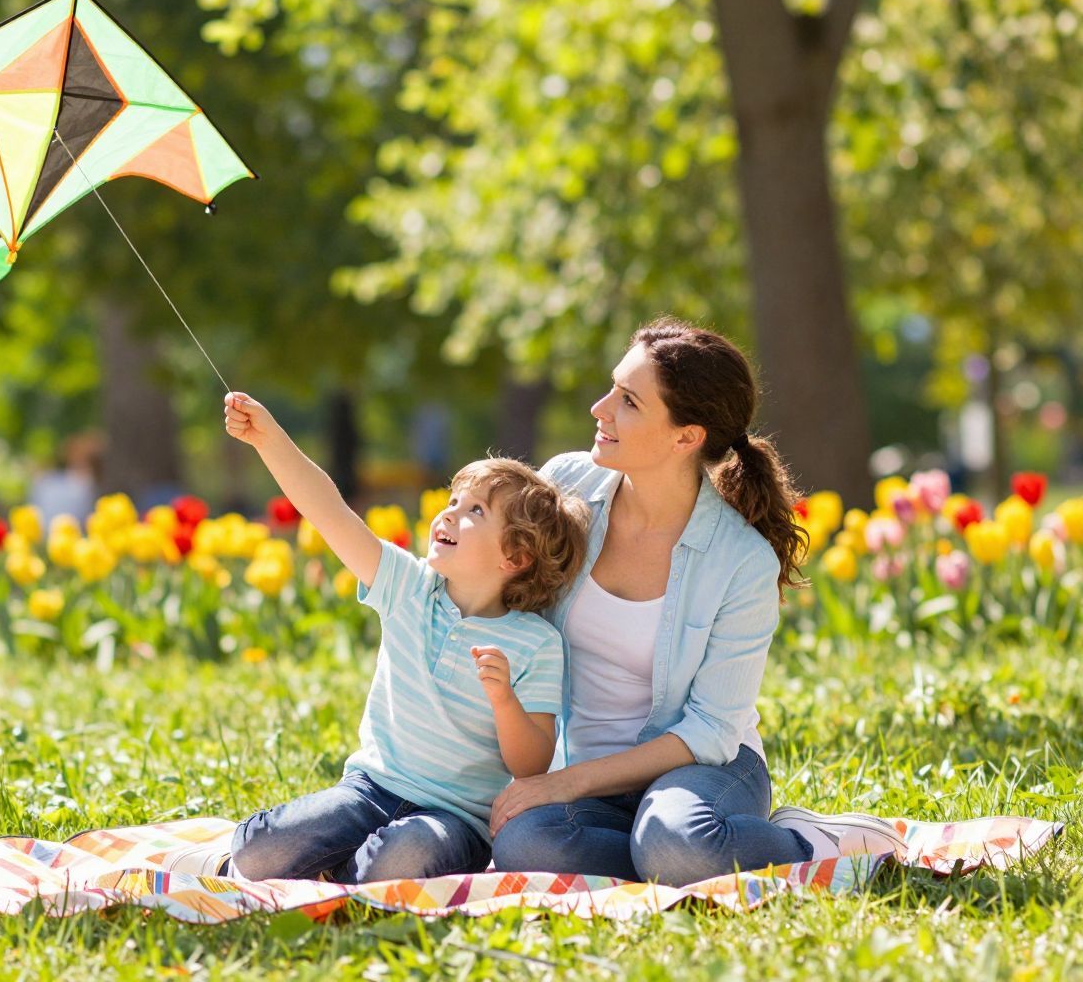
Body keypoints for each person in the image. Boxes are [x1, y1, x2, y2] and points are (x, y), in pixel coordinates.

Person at [489, 318, 905, 886]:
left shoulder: (740, 559)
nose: (600, 407)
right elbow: (495, 586)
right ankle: (658, 856)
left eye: (628, 401)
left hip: (706, 767)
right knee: (524, 843)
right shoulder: (567, 486)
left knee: (676, 843)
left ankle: (808, 842)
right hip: (588, 770)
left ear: (687, 437)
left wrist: (564, 784)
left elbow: (710, 731)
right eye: (613, 387)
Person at [221, 391, 588, 882]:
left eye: (475, 511)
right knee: (257, 854)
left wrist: (503, 699)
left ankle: (345, 874)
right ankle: (344, 873)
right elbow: (328, 511)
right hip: (369, 789)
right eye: (453, 501)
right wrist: (269, 439)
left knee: (405, 855)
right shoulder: (408, 586)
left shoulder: (536, 642)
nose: (449, 514)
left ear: (515, 558)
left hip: (453, 820)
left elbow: (533, 763)